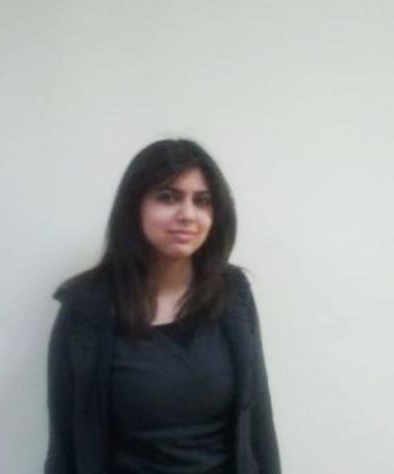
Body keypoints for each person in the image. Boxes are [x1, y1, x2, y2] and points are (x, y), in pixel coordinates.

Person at [44, 138, 281, 474]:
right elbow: (65, 441)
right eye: (168, 197)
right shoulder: (85, 307)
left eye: (202, 201)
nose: (188, 215)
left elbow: (258, 424)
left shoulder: (232, 293)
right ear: (134, 207)